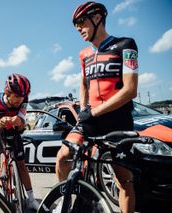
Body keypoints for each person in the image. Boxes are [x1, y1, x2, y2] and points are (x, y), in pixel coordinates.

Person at [55, 2, 138, 213]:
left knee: (123, 182)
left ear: (98, 17)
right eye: (76, 26)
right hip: (91, 120)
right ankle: (66, 203)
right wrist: (84, 109)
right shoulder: (84, 54)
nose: (79, 29)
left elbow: (130, 90)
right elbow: (83, 83)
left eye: (82, 22)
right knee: (63, 157)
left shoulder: (126, 45)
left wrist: (94, 112)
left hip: (117, 121)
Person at [0, 73, 40, 211]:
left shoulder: (23, 99)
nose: (19, 100)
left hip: (12, 130)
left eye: (22, 97)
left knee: (21, 164)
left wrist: (19, 121)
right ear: (7, 92)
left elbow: (21, 127)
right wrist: (2, 122)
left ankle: (31, 199)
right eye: (16, 96)